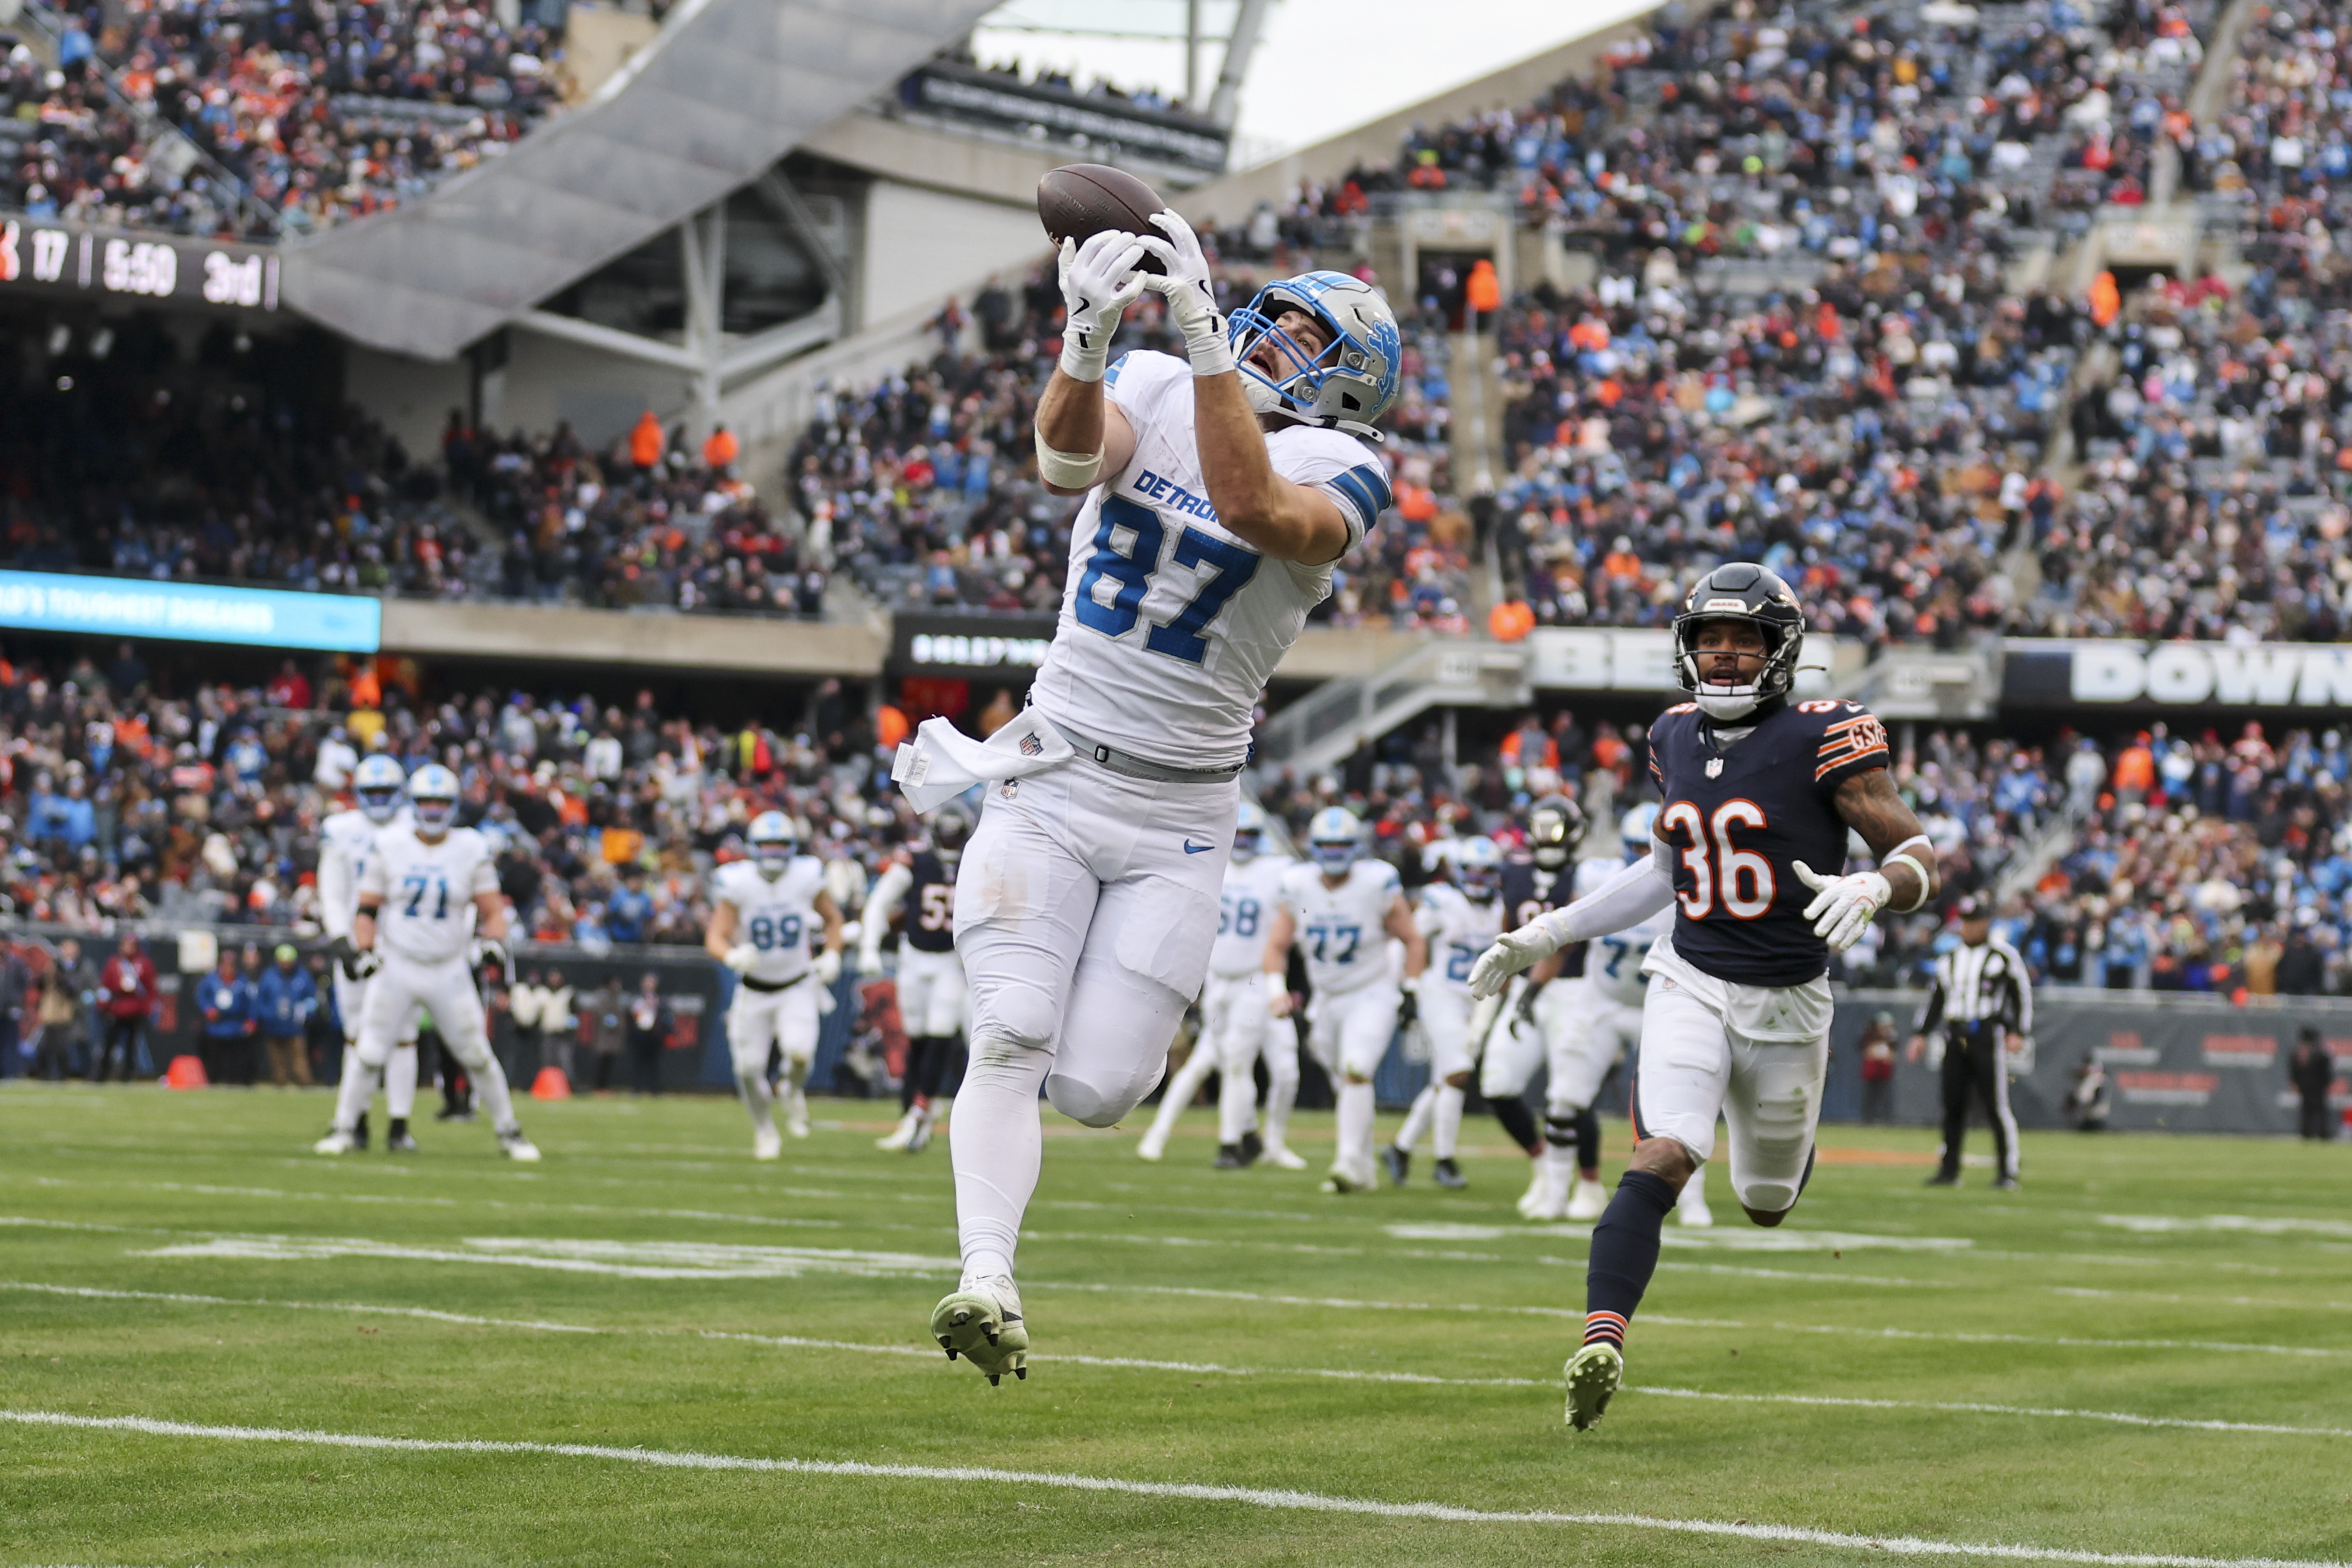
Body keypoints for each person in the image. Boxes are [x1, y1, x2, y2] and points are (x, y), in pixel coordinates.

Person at [906, 218, 1403, 1385]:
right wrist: (1085, 341)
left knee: (1095, 1090)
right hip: (1054, 770)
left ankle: (1005, 1229)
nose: (1269, 338)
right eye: (1266, 319)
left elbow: (1258, 513)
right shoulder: (1156, 373)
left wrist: (1207, 349)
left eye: (1301, 336)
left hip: (1182, 816)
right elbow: (1067, 464)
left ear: (1354, 380)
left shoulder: (1352, 470)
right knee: (1013, 1029)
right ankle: (987, 1275)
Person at [1470, 561, 1938, 1431]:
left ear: (1781, 650)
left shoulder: (1826, 735)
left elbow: (1918, 854)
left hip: (1791, 1002)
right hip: (1690, 977)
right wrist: (1548, 933)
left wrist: (1877, 887)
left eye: (1744, 641)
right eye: (1710, 640)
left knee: (1764, 1204)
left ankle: (1772, 1154)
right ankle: (1602, 1339)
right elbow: (1660, 873)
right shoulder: (1673, 735)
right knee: (1664, 1154)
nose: (1724, 657)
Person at [314, 764, 538, 1160]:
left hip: (448, 967)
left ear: (454, 806)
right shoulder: (390, 843)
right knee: (368, 1051)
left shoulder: (470, 847)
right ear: (414, 804)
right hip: (398, 963)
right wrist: (362, 950)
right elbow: (367, 909)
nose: (434, 810)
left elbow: (493, 911)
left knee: (476, 1054)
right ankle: (344, 1128)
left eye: (442, 802)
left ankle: (510, 1131)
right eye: (426, 802)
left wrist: (494, 943)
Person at [1267, 807, 1428, 1193]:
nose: (1335, 851)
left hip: (1370, 991)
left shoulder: (1376, 882)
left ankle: (1347, 1164)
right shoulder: (1299, 883)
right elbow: (1276, 945)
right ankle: (1365, 1169)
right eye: (1327, 844)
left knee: (1356, 1070)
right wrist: (1277, 993)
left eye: (1342, 844)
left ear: (1356, 847)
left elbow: (1414, 939)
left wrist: (1410, 991)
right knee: (1348, 1083)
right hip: (1327, 997)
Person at [1138, 802, 1304, 1168]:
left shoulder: (1278, 871)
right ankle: (1238, 1138)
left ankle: (1241, 1142)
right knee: (1216, 1061)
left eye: (1250, 835)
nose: (1242, 840)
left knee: (1248, 1063)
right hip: (1218, 979)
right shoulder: (1215, 864)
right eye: (1238, 833)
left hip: (1256, 980)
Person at [706, 811, 844, 1157]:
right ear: (753, 848)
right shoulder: (738, 882)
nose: (773, 853)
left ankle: (791, 1089)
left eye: (779, 845)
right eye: (766, 846)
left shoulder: (806, 876)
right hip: (753, 990)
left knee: (800, 1053)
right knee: (747, 1068)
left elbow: (833, 920)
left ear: (792, 848)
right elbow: (715, 936)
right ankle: (765, 1130)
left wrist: (832, 955)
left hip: (796, 985)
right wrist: (732, 956)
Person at [1383, 835, 1504, 1187]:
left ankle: (1400, 1148)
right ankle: (1445, 1160)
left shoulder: (1501, 908)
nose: (1479, 879)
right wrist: (1408, 989)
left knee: (1445, 1081)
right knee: (1458, 1072)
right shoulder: (1442, 901)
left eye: (1486, 872)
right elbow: (1411, 943)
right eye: (1472, 871)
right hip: (1441, 994)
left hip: (1477, 1001)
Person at [316, 753, 422, 1148]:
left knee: (404, 1035)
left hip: (402, 944)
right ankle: (355, 1121)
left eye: (386, 791)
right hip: (357, 943)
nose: (378, 799)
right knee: (357, 1034)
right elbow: (332, 889)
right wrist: (340, 936)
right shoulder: (341, 829)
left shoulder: (418, 828)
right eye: (371, 791)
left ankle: (398, 1125)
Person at [862, 808, 973, 1155]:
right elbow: (879, 902)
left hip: (952, 962)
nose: (951, 844)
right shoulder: (915, 862)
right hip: (914, 958)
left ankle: (917, 1114)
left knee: (941, 1035)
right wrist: (869, 945)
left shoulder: (977, 862)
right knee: (918, 1041)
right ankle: (915, 1115)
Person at [1909, 898, 2030, 1189]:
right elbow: (1936, 999)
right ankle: (1949, 1170)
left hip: (1986, 1034)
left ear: (1985, 923)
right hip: (1955, 1034)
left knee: (1995, 1105)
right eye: (1963, 922)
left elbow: (2021, 995)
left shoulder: (2003, 956)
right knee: (1953, 1105)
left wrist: (2019, 1031)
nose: (1967, 928)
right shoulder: (1949, 958)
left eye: (1972, 922)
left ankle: (2007, 1170)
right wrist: (1921, 1033)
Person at [96, 933, 157, 1083]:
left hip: (135, 1009)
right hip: (117, 1009)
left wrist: (147, 1008)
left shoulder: (144, 964)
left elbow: (150, 989)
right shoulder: (114, 963)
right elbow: (105, 986)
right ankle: (102, 1074)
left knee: (132, 1046)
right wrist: (103, 1006)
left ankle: (127, 1075)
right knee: (109, 1044)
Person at [255, 944, 318, 1088]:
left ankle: (304, 1083)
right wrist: (268, 1015)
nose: (286, 965)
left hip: (296, 1026)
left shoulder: (303, 976)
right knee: (277, 1058)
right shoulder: (269, 976)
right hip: (274, 1025)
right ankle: (280, 1083)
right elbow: (261, 999)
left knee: (298, 1056)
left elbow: (312, 999)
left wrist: (305, 1011)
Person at [198, 950, 259, 1087]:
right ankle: (213, 1080)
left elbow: (251, 1003)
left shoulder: (242, 982)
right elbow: (202, 997)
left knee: (236, 1057)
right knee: (215, 1056)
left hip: (236, 1026)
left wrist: (251, 1020)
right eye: (225, 964)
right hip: (216, 1026)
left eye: (231, 965)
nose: (228, 968)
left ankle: (236, 1081)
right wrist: (208, 1009)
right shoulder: (211, 980)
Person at [626, 972, 671, 1095]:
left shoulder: (660, 998)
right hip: (640, 1035)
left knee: (654, 1063)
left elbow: (665, 1015)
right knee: (638, 1063)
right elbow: (630, 1015)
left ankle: (654, 1089)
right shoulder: (636, 998)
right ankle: (637, 1088)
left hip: (655, 1035)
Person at [2290, 1026, 2337, 1141]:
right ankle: (2323, 1133)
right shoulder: (2320, 1052)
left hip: (2304, 1085)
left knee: (2307, 1109)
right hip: (2318, 1086)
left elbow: (2293, 1071)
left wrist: (2296, 1082)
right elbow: (2326, 1070)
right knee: (2321, 1110)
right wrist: (2328, 1082)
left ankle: (2306, 1133)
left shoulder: (2297, 1052)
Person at [1859, 1010, 1899, 1125]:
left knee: (1885, 1097)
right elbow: (1865, 1050)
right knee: (1869, 1096)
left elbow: (1892, 1054)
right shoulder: (1870, 1036)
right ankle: (1867, 1120)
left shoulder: (1891, 1037)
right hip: (1872, 1071)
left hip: (1884, 1072)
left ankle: (1887, 1119)